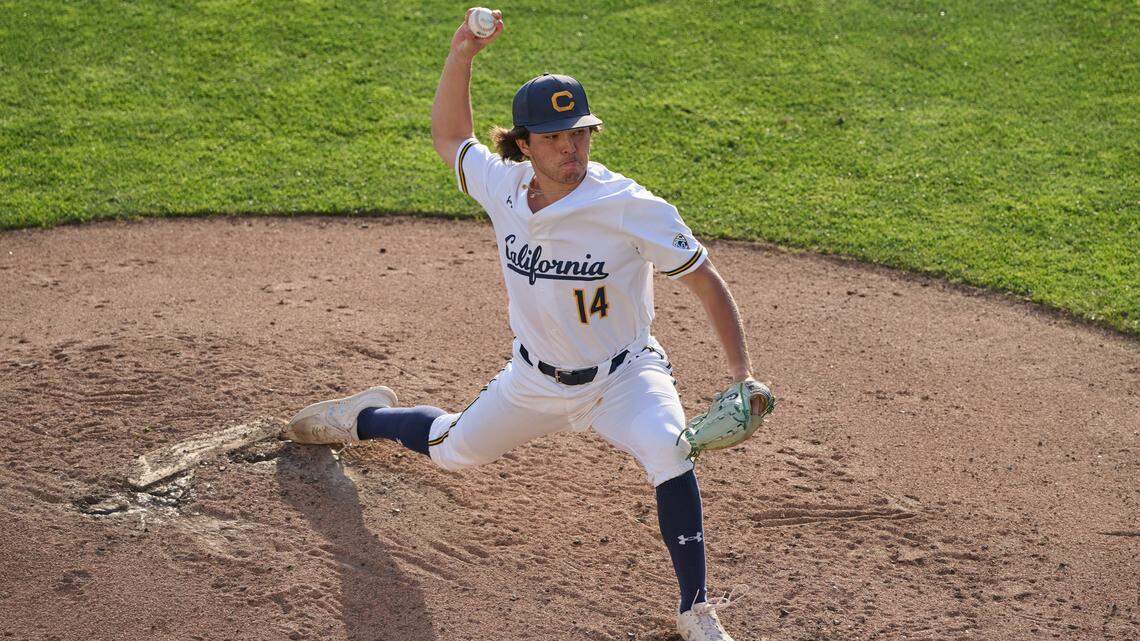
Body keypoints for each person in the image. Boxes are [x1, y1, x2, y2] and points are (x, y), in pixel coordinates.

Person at [283, 9, 773, 641]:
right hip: (533, 382)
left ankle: (696, 611)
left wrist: (741, 374)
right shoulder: (503, 186)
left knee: (670, 449)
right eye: (553, 138)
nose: (570, 149)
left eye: (579, 134)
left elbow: (706, 281)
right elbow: (449, 140)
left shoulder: (630, 207)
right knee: (452, 452)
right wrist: (461, 52)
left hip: (626, 377)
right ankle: (358, 418)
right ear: (523, 144)